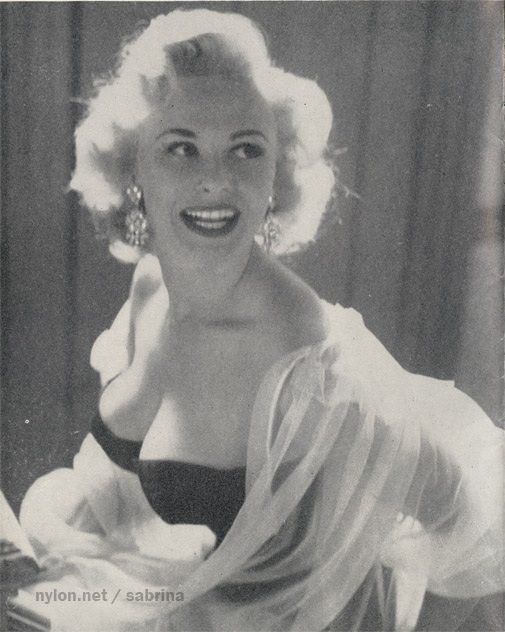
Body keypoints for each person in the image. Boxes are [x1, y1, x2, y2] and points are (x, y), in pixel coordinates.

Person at [19, 9, 503, 632]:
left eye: (246, 149)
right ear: (133, 169)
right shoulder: (150, 287)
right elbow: (128, 500)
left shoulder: (299, 357)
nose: (215, 180)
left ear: (277, 175)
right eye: (181, 148)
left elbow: (468, 514)